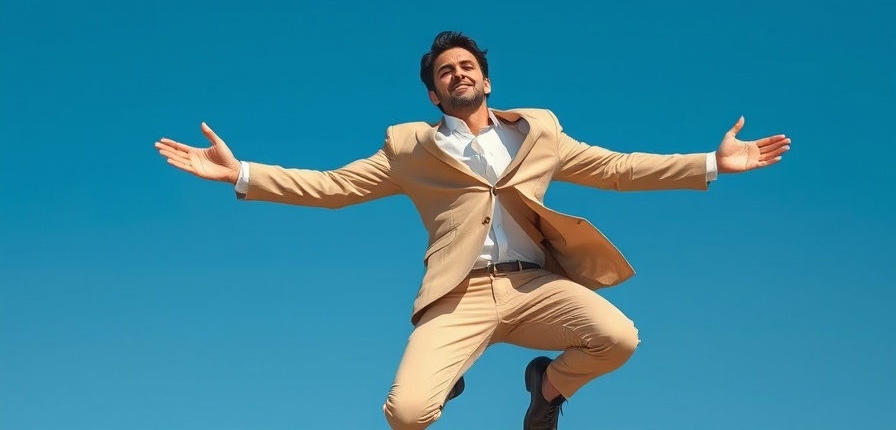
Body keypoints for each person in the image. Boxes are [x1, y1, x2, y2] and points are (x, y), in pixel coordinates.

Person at [155, 31, 790, 430]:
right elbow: (334, 187)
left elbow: (618, 168)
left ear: (485, 79)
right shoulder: (410, 150)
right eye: (444, 73)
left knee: (618, 339)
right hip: (458, 295)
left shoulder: (538, 134)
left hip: (535, 287)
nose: (457, 75)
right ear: (433, 95)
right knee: (406, 415)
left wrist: (711, 163)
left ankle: (546, 386)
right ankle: (452, 365)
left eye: (466, 67)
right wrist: (241, 172)